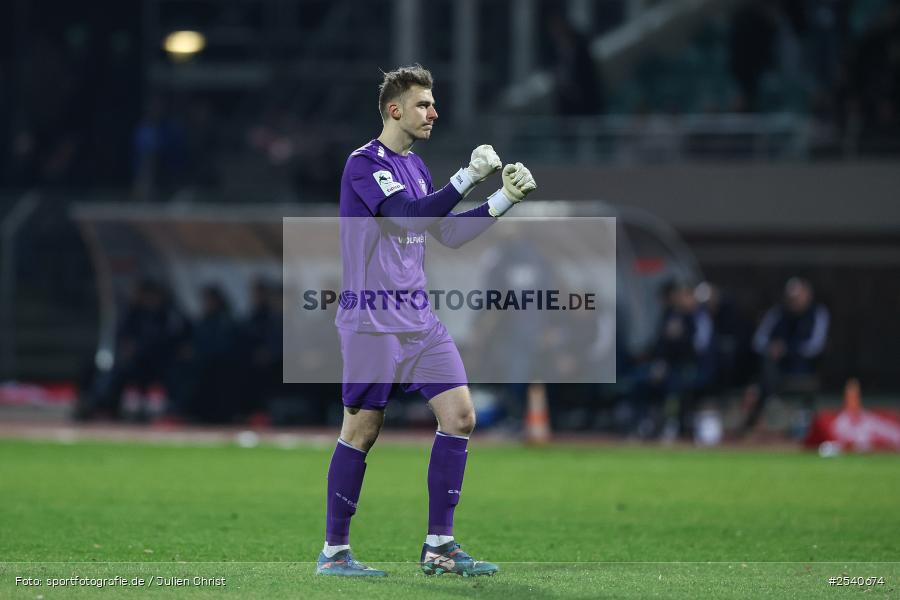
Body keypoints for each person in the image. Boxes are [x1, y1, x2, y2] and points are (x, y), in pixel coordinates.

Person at [315, 64, 537, 578]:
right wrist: (467, 176)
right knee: (362, 429)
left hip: (419, 318)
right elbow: (408, 218)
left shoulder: (417, 168)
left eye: (433, 103)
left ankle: (439, 545)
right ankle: (334, 552)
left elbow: (448, 235)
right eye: (423, 104)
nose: (434, 112)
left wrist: (502, 199)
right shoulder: (362, 165)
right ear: (395, 110)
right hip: (372, 319)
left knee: (460, 416)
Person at [740, 277, 829, 434]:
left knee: (762, 385)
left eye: (798, 296)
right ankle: (767, 400)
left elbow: (815, 346)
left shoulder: (818, 313)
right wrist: (772, 348)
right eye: (792, 298)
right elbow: (758, 341)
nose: (795, 301)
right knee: (766, 365)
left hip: (803, 367)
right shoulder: (778, 313)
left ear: (808, 294)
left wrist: (787, 349)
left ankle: (763, 401)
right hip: (776, 368)